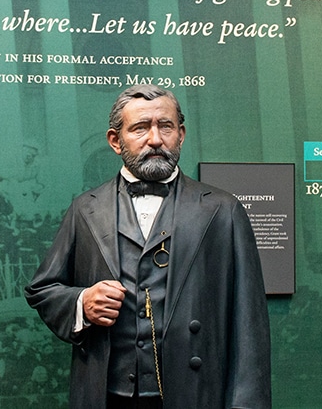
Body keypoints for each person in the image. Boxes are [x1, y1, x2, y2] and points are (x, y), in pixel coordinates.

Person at [25, 85, 271, 409]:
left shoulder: (222, 211)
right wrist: (82, 302)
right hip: (106, 397)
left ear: (180, 134)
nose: (155, 139)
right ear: (115, 140)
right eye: (140, 128)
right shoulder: (85, 209)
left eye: (165, 126)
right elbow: (42, 289)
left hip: (195, 396)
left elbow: (249, 326)